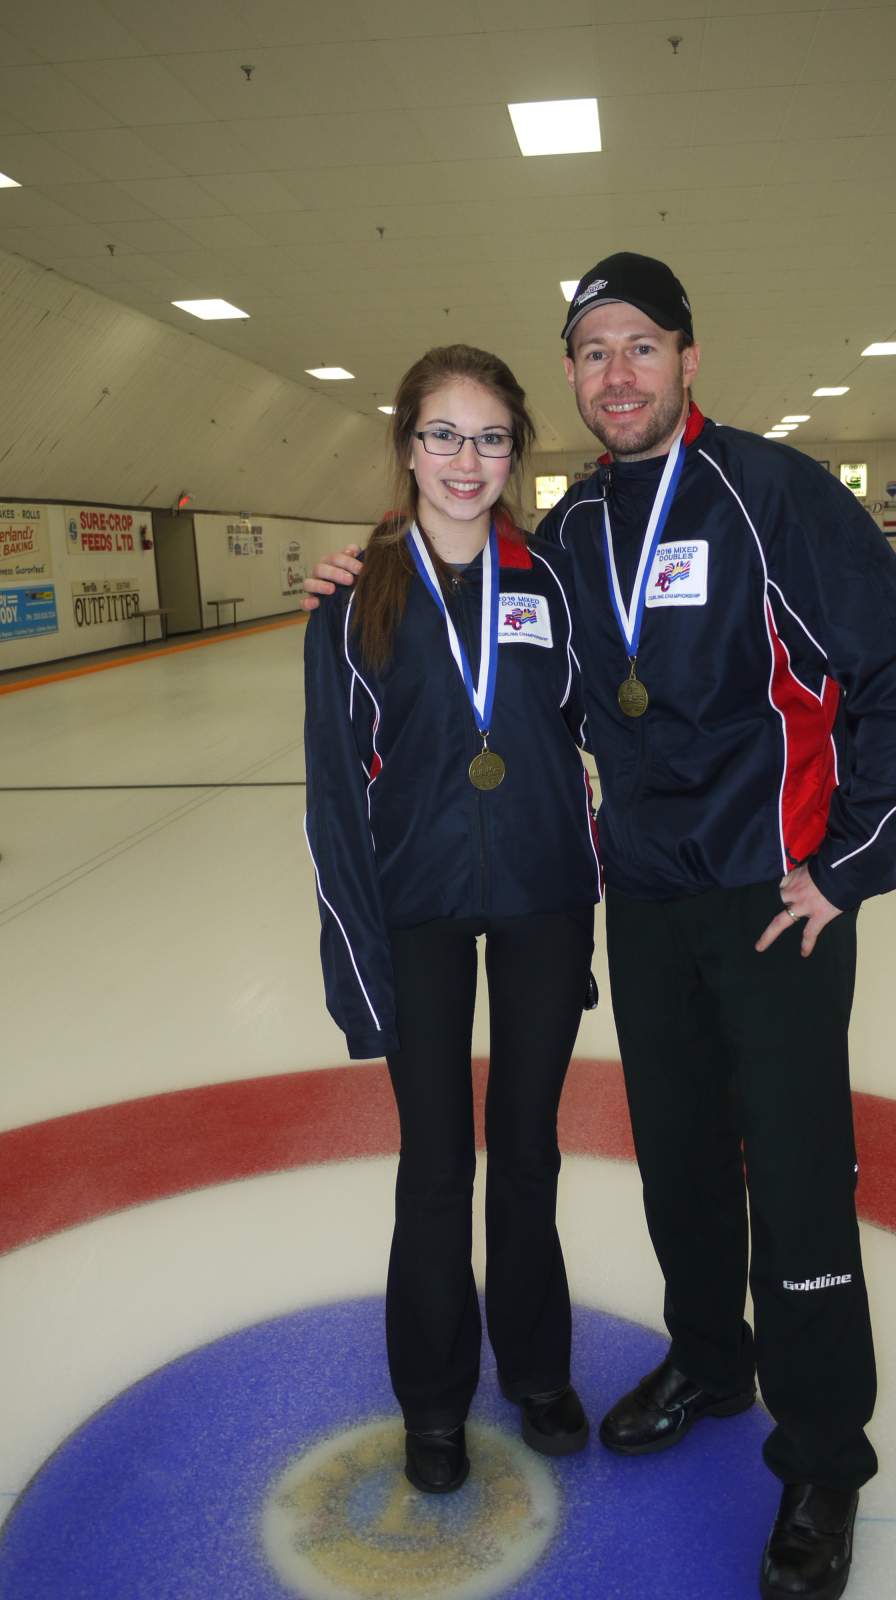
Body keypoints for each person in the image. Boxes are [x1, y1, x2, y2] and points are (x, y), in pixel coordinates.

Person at [303, 256, 896, 1600]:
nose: (618, 373)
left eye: (641, 345)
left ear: (687, 357)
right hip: (646, 903)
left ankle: (822, 1457)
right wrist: (358, 568)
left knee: (795, 1179)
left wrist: (847, 864)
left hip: (772, 902)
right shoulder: (574, 533)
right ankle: (711, 1362)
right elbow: (476, 613)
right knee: (677, 1161)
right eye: (593, 351)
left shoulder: (768, 492)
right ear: (571, 376)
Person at [303, 344, 602, 1496]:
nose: (466, 461)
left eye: (490, 438)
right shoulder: (354, 600)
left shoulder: (554, 582)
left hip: (542, 900)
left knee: (527, 1149)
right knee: (435, 1163)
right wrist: (358, 969)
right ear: (407, 445)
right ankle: (433, 1399)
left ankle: (537, 1370)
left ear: (516, 450)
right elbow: (336, 801)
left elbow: (601, 729)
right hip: (415, 908)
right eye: (443, 434)